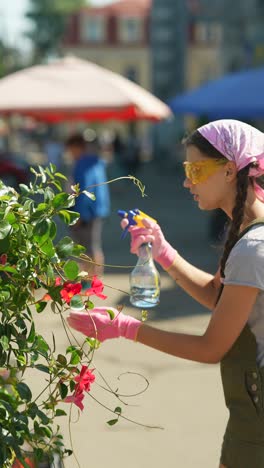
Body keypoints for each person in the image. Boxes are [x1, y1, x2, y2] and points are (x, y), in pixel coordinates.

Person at [67, 120, 264, 467]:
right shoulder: (248, 234)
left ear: (231, 170)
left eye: (196, 168)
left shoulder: (252, 246)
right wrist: (164, 252)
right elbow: (221, 300)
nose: (187, 180)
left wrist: (125, 328)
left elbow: (210, 348)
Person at [65, 131, 110, 277]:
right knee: (92, 246)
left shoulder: (83, 163)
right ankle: (93, 277)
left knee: (88, 247)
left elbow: (85, 190)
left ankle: (92, 278)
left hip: (87, 212)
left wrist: (78, 215)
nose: (70, 153)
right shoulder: (95, 161)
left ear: (77, 147)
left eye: (71, 149)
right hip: (96, 210)